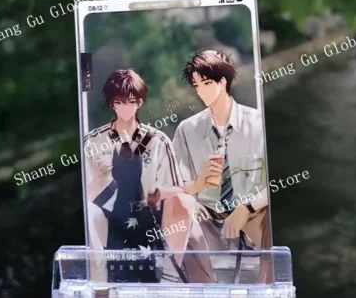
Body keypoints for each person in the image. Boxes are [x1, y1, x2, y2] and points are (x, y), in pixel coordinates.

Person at [84, 69, 202, 281]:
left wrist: (158, 193)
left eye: (131, 101)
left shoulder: (158, 141)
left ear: (140, 102)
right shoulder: (93, 142)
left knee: (184, 201)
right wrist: (99, 181)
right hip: (107, 219)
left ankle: (169, 278)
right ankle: (99, 281)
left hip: (150, 216)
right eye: (119, 102)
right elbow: (85, 201)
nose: (125, 107)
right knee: (89, 210)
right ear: (111, 103)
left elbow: (177, 188)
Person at [172, 50, 272, 283]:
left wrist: (246, 207)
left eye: (206, 83)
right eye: (196, 86)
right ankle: (205, 290)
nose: (201, 91)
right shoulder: (187, 131)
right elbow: (174, 189)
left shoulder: (258, 124)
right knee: (182, 206)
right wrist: (197, 184)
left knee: (271, 211)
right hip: (208, 217)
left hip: (252, 215)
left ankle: (266, 289)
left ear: (223, 82)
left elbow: (277, 183)